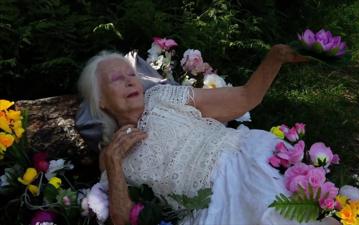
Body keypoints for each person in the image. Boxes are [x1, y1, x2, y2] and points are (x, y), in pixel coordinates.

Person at [77, 45, 340, 225]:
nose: (129, 81)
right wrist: (113, 164)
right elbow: (123, 221)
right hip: (210, 211)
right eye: (116, 79)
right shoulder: (111, 155)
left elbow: (246, 97)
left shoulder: (162, 97)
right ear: (100, 101)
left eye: (130, 74)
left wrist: (275, 58)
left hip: (243, 169)